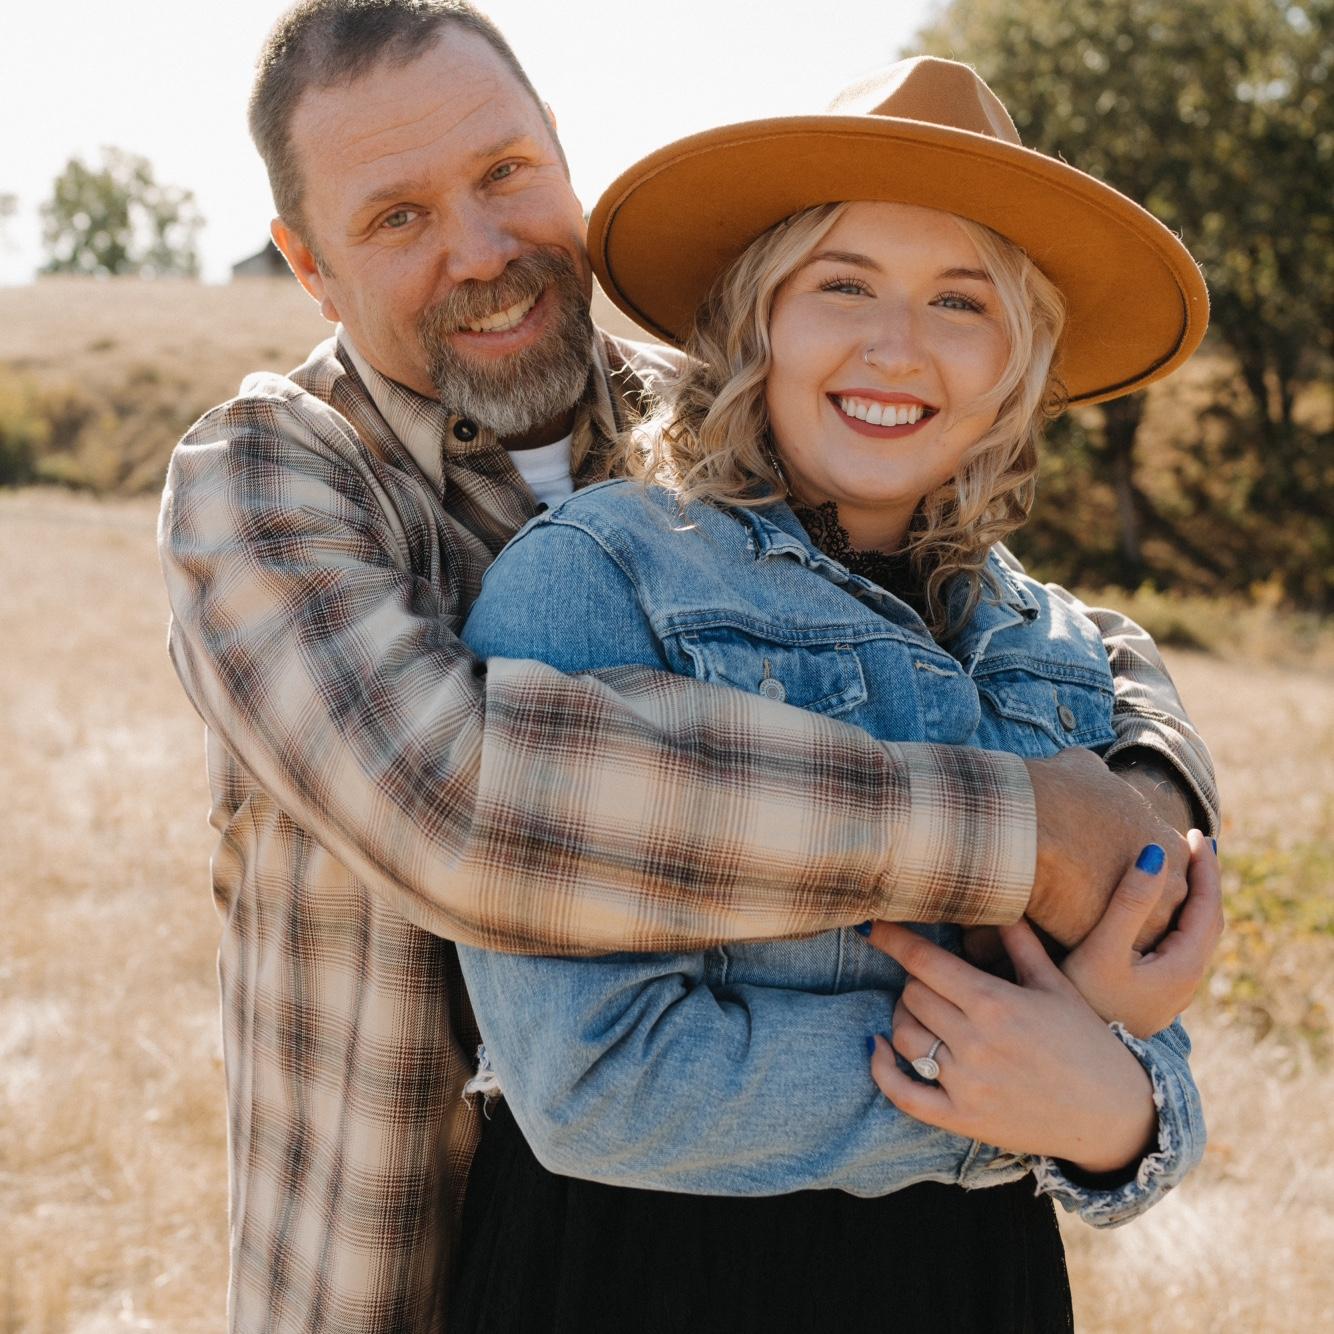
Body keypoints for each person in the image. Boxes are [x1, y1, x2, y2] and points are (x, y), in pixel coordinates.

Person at [156, 4, 1217, 1328]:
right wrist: (1023, 843)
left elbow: (1037, 626)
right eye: (397, 218)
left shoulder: (720, 419)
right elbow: (467, 808)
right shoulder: (271, 472)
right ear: (309, 266)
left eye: (504, 173)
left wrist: (1150, 791)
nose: (478, 250)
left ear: (560, 151)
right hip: (421, 1263)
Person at [449, 56, 1222, 1332]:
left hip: (973, 1291)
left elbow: (1154, 1063)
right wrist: (1020, 1104)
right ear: (752, 317)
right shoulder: (600, 577)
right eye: (842, 284)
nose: (895, 345)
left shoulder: (1061, 648)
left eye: (960, 301)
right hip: (646, 1284)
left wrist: (1120, 1116)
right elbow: (588, 1082)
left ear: (1016, 360)